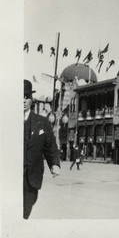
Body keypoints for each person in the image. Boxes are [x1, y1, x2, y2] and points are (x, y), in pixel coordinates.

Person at [23, 79, 61, 219]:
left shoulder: (42, 123)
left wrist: (55, 164)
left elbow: (50, 146)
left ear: (31, 99)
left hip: (31, 180)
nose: (23, 100)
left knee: (24, 213)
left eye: (26, 97)